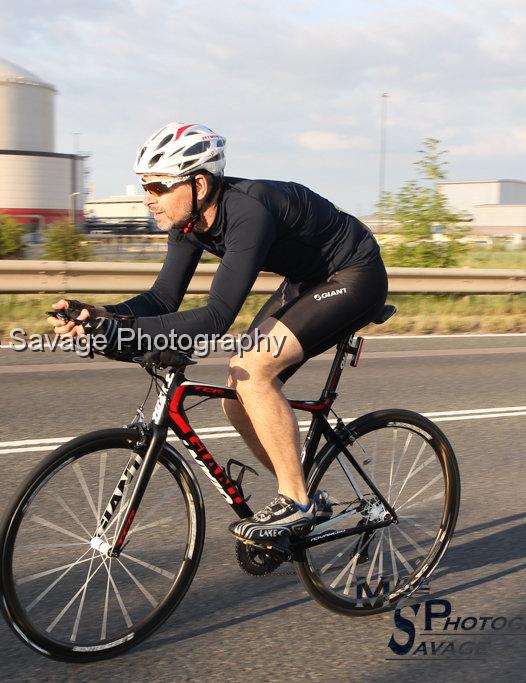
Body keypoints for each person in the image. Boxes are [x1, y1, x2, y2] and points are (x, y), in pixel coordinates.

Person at [47, 122, 388, 546]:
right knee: (238, 389)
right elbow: (162, 299)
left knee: (253, 366)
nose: (148, 199)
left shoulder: (248, 211)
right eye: (145, 187)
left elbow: (216, 317)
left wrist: (120, 331)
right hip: (308, 279)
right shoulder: (188, 224)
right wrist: (98, 313)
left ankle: (295, 501)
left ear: (199, 182)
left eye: (157, 187)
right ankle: (306, 496)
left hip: (355, 274)